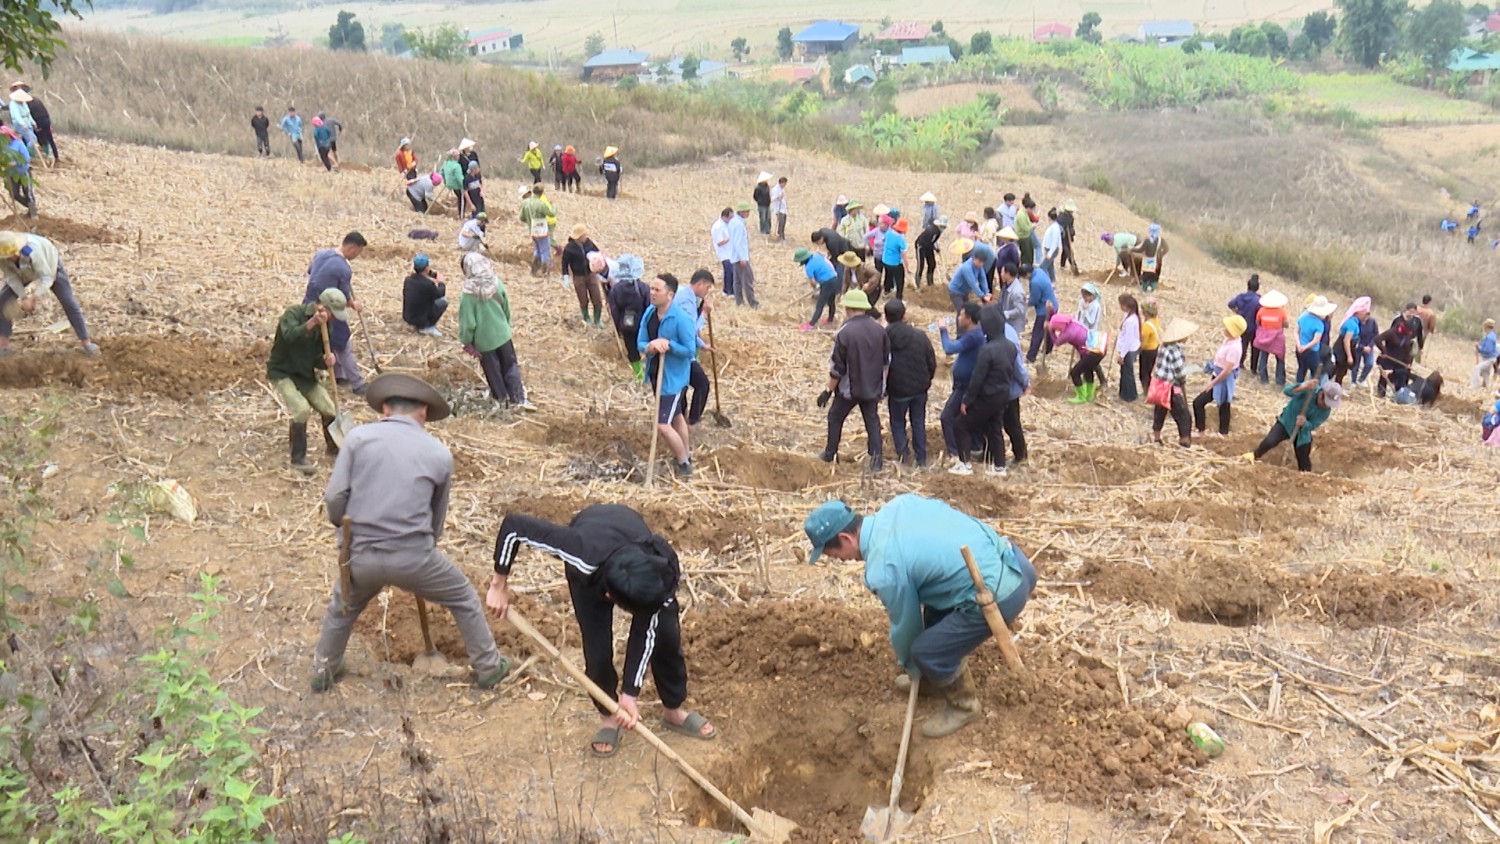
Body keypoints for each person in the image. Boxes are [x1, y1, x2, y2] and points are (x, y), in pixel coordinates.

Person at [310, 373, 513, 693]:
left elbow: (335, 497)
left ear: (386, 409)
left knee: (342, 607)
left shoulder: (358, 439)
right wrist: (423, 551)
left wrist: (343, 527)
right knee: (462, 596)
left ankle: (324, 670)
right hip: (414, 556)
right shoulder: (438, 454)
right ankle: (488, 668)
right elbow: (436, 519)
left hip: (360, 555)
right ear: (423, 413)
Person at [486, 504, 714, 756]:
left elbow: (645, 631)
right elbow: (514, 526)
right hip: (592, 547)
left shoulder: (662, 568)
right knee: (597, 652)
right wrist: (498, 585)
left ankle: (673, 710)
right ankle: (608, 716)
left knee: (665, 636)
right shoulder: (579, 550)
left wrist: (631, 693)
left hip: (629, 533)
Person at [803, 495, 1036, 737]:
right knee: (934, 615)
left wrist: (912, 664)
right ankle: (932, 678)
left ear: (845, 538)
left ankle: (964, 706)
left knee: (925, 651)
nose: (841, 561)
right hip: (1016, 561)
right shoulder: (899, 505)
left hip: (1001, 593)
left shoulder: (883, 568)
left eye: (834, 555)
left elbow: (905, 624)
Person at [267, 288, 347, 474]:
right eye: (332, 314)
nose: (334, 319)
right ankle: (298, 459)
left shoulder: (327, 327)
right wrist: (311, 323)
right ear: (322, 307)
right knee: (301, 409)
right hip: (283, 371)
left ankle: (334, 449)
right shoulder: (293, 314)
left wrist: (326, 361)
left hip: (304, 374)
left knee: (329, 408)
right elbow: (289, 336)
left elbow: (316, 357)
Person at [817, 290, 889, 471]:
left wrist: (828, 391)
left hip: (849, 389)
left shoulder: (845, 332)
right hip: (873, 386)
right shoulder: (880, 330)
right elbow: (886, 362)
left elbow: (837, 368)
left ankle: (830, 453)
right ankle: (876, 460)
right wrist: (882, 387)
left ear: (848, 308)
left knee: (835, 417)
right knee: (872, 421)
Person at [0, 231, 99, 358]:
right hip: (22, 272)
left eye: (10, 257)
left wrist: (33, 297)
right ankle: (3, 346)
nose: (8, 259)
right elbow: (12, 278)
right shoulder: (2, 257)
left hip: (50, 267)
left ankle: (87, 344)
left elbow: (47, 278)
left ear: (15, 252)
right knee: (2, 301)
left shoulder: (33, 251)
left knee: (68, 302)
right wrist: (23, 297)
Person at [638, 273, 697, 477]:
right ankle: (686, 454)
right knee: (677, 416)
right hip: (656, 374)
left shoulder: (682, 319)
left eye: (657, 290)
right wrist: (651, 346)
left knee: (663, 424)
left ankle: (683, 464)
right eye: (651, 289)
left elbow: (690, 350)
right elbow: (641, 342)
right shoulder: (649, 313)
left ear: (670, 295)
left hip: (673, 380)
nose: (652, 293)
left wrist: (669, 345)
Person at [459, 251, 532, 411]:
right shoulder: (496, 283)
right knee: (510, 365)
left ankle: (501, 400)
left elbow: (468, 323)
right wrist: (505, 326)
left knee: (493, 371)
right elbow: (506, 308)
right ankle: (518, 398)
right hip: (503, 334)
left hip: (484, 341)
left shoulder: (468, 294)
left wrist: (466, 341)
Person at [950, 308, 1017, 476]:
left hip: (987, 396)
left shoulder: (987, 350)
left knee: (961, 425)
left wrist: (966, 400)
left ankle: (965, 464)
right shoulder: (1010, 346)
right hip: (1003, 394)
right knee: (995, 429)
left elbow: (977, 379)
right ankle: (1000, 467)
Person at [302, 232, 368, 396]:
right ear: (352, 248)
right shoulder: (343, 268)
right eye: (357, 253)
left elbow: (310, 272)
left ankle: (339, 376)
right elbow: (344, 299)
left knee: (329, 342)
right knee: (343, 343)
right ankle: (357, 384)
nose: (356, 256)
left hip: (309, 305)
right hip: (329, 309)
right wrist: (354, 304)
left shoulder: (321, 254)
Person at [1243, 381, 1345, 472]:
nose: (1326, 406)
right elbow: (1287, 391)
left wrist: (1305, 423)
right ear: (1321, 394)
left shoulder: (1325, 412)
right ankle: (1254, 455)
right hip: (1286, 422)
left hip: (1302, 433)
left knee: (1304, 459)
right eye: (1325, 402)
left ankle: (1305, 479)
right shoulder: (1308, 390)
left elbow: (1313, 425)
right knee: (1269, 441)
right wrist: (1303, 386)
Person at [884, 299, 936, 468]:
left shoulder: (884, 338)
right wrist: (927, 379)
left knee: (898, 423)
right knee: (918, 422)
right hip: (920, 388)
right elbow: (931, 361)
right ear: (904, 315)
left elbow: (880, 364)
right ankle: (921, 458)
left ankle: (903, 457)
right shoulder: (920, 335)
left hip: (897, 390)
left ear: (886, 317)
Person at [938, 303, 986, 465]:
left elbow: (949, 348)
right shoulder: (973, 334)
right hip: (963, 384)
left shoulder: (973, 335)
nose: (958, 317)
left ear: (969, 319)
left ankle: (955, 453)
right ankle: (972, 447)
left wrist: (943, 330)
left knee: (947, 417)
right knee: (965, 418)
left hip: (964, 386)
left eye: (961, 315)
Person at [1192, 316, 1246, 437]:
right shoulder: (1228, 341)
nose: (1223, 329)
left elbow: (1227, 371)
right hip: (1218, 375)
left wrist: (1213, 382)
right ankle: (1222, 432)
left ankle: (1204, 431)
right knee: (1223, 405)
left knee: (1200, 402)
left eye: (1226, 327)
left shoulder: (1235, 348)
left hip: (1223, 380)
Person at [1149, 318, 1196, 448]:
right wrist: (1183, 383)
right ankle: (1184, 441)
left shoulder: (1163, 347)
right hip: (1171, 387)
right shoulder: (1175, 350)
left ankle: (1156, 438)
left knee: (1160, 411)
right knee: (1184, 415)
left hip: (1160, 385)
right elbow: (1179, 372)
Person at [605, 255, 650, 380]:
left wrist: (618, 327)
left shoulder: (616, 289)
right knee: (647, 347)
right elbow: (649, 306)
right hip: (642, 323)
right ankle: (648, 375)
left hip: (625, 324)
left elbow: (614, 310)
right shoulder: (643, 288)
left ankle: (639, 375)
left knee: (632, 349)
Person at [1049, 313, 1104, 404]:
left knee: (1075, 373)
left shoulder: (1068, 333)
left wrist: (1051, 331)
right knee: (1087, 370)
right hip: (1097, 347)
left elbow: (1057, 342)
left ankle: (1081, 396)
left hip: (1091, 352)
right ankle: (1089, 395)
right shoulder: (1073, 322)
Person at [561, 223, 604, 327]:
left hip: (591, 274)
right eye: (583, 235)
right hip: (578, 276)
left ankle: (597, 320)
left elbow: (598, 253)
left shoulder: (589, 243)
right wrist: (565, 276)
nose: (585, 237)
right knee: (583, 299)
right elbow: (564, 263)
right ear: (578, 237)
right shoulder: (569, 248)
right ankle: (586, 317)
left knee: (597, 298)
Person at [1375, 313, 1419, 398]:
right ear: (1404, 327)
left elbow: (1408, 350)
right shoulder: (1392, 332)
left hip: (1400, 362)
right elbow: (1378, 339)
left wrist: (1408, 362)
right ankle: (1380, 394)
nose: (1410, 332)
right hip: (1388, 360)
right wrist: (1384, 351)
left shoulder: (1408, 336)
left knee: (1400, 379)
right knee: (1384, 378)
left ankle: (1398, 397)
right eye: (1409, 330)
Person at [401, 254, 446, 336]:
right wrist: (441, 283)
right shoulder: (428, 285)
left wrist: (432, 274)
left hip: (408, 317)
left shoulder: (408, 280)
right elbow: (440, 294)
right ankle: (426, 327)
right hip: (421, 320)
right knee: (443, 302)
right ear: (426, 268)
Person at [796, 247, 840, 330]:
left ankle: (811, 324)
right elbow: (829, 263)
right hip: (834, 278)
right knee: (831, 301)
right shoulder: (817, 256)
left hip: (827, 283)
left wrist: (815, 287)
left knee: (820, 304)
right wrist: (833, 272)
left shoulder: (808, 267)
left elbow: (812, 282)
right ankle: (830, 319)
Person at [1252, 289, 1289, 386]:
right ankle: (1280, 380)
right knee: (1280, 358)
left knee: (1263, 356)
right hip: (1277, 337)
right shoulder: (1281, 311)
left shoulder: (1262, 310)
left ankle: (1263, 379)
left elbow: (1257, 322)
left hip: (1264, 337)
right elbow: (1286, 324)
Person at [1295, 296, 1336, 383]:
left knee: (1301, 369)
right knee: (1316, 372)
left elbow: (1296, 332)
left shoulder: (1303, 317)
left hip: (1299, 349)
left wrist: (1299, 345)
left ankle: (1297, 388)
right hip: (1312, 352)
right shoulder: (1319, 324)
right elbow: (1315, 341)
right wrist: (1306, 347)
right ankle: (1313, 391)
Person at [1331, 297, 1369, 386]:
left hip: (1347, 348)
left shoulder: (1355, 322)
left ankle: (1336, 387)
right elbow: (1346, 340)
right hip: (1342, 350)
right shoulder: (1351, 324)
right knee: (1339, 370)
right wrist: (1349, 356)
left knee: (1341, 371)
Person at [1025, 262, 1058, 364]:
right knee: (1049, 328)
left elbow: (1034, 300)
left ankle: (1031, 357)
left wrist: (1027, 302)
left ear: (1027, 274)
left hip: (1044, 310)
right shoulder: (1039, 271)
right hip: (1054, 305)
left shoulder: (1035, 282)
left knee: (1037, 332)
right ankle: (1048, 349)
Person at [519, 183, 555, 278]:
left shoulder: (525, 203)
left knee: (537, 250)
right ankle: (545, 272)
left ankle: (534, 271)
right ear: (542, 192)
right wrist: (554, 206)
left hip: (532, 231)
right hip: (542, 230)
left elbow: (521, 218)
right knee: (545, 251)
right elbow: (551, 214)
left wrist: (529, 221)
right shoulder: (541, 204)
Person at [1227, 275, 1261, 371]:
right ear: (1257, 288)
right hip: (1253, 327)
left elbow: (1230, 304)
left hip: (1241, 326)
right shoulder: (1258, 300)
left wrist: (1237, 311)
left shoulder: (1241, 297)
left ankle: (1240, 363)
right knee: (1255, 349)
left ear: (1248, 286)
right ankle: (1253, 368)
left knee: (1242, 345)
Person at [730, 202, 759, 308]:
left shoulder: (733, 222)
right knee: (747, 280)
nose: (748, 213)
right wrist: (742, 258)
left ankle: (739, 301)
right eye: (747, 211)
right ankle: (753, 303)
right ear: (742, 212)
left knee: (737, 281)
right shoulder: (738, 224)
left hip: (734, 256)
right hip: (740, 257)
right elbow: (738, 242)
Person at [2, 126, 34, 219]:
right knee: (14, 194)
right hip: (12, 174)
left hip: (24, 172)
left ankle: (33, 213)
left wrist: (15, 163)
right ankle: (31, 207)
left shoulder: (18, 144)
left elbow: (27, 158)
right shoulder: (3, 147)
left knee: (28, 193)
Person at [1115, 294, 1142, 402]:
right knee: (1125, 372)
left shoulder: (1131, 321)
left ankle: (1130, 395)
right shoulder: (1130, 316)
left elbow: (1128, 340)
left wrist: (1122, 355)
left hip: (1128, 350)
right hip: (1128, 348)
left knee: (1127, 373)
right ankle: (1124, 393)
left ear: (1126, 306)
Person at [879, 215, 909, 300]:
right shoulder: (900, 239)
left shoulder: (888, 233)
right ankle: (899, 297)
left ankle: (886, 291)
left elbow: (883, 240)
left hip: (885, 260)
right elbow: (904, 255)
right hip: (895, 263)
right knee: (900, 279)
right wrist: (907, 267)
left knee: (888, 275)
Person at [1133, 224, 1168, 292]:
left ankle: (1144, 290)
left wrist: (1131, 250)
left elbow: (1141, 250)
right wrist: (1160, 256)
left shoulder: (1147, 241)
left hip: (1148, 262)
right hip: (1157, 262)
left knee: (1145, 277)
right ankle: (1153, 291)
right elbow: (1166, 249)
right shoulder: (1161, 240)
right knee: (1154, 277)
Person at [914, 214, 946, 288]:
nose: (943, 228)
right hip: (921, 246)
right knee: (920, 265)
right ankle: (917, 284)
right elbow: (928, 242)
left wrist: (936, 248)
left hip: (929, 246)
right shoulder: (932, 230)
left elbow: (933, 241)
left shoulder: (938, 231)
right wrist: (935, 248)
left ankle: (930, 282)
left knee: (932, 264)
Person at [712, 209, 737, 297]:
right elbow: (719, 242)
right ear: (724, 217)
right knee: (730, 271)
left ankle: (726, 291)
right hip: (724, 253)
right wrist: (729, 239)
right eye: (730, 217)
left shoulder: (728, 224)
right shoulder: (718, 227)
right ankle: (731, 291)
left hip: (730, 252)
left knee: (728, 271)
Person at [1138, 298, 1161, 396]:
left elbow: (1143, 342)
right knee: (1149, 372)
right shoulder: (1155, 321)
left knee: (1144, 374)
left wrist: (1137, 351)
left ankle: (1146, 392)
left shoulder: (1146, 326)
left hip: (1147, 351)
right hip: (1154, 349)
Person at [1353, 307, 1380, 387]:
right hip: (1358, 346)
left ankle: (1361, 379)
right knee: (1355, 365)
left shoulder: (1372, 322)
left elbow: (1376, 334)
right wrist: (1361, 347)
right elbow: (1354, 336)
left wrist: (1370, 346)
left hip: (1369, 346)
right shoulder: (1356, 322)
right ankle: (1353, 381)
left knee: (1369, 363)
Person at [999, 263, 1028, 339]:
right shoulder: (1006, 284)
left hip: (1013, 324)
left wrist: (1005, 314)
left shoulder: (1017, 292)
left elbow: (1020, 310)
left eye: (1002, 272)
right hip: (1005, 321)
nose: (1000, 274)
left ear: (1007, 274)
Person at [7, 88, 37, 155]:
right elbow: (17, 116)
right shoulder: (13, 104)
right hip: (19, 124)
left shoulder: (24, 103)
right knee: (33, 139)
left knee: (31, 140)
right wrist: (22, 124)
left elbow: (28, 114)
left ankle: (28, 153)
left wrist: (33, 122)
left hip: (28, 123)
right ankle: (25, 153)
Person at [1057, 199, 1079, 276]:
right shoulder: (1062, 217)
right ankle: (1072, 264)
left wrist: (1072, 232)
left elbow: (1070, 227)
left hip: (1067, 236)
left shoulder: (1070, 217)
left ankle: (1062, 265)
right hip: (1062, 235)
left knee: (1065, 250)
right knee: (1067, 250)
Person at [1039, 208, 1064, 278]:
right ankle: (1052, 281)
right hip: (1049, 249)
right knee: (1050, 267)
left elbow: (1055, 242)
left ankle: (1046, 280)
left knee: (1042, 267)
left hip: (1051, 250)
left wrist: (1050, 253)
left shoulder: (1055, 228)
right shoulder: (1053, 227)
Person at [440, 150, 466, 216]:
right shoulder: (457, 166)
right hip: (457, 185)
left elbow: (441, 172)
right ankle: (461, 214)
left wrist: (445, 181)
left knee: (459, 197)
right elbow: (459, 177)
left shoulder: (445, 164)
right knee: (462, 198)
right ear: (455, 157)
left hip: (449, 184)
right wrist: (464, 185)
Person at [1474, 319, 1498, 389]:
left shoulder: (1490, 337)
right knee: (1485, 373)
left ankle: (1474, 387)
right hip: (1490, 358)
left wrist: (1479, 348)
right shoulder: (1489, 336)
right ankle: (1487, 387)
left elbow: (1488, 350)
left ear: (1487, 327)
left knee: (1477, 368)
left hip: (1490, 358)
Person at [771, 176, 789, 241]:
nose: (785, 185)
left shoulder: (782, 189)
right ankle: (780, 236)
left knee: (783, 222)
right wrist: (778, 197)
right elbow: (772, 199)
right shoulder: (775, 189)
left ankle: (782, 235)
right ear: (782, 183)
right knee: (781, 223)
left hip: (783, 208)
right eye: (784, 184)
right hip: (778, 209)